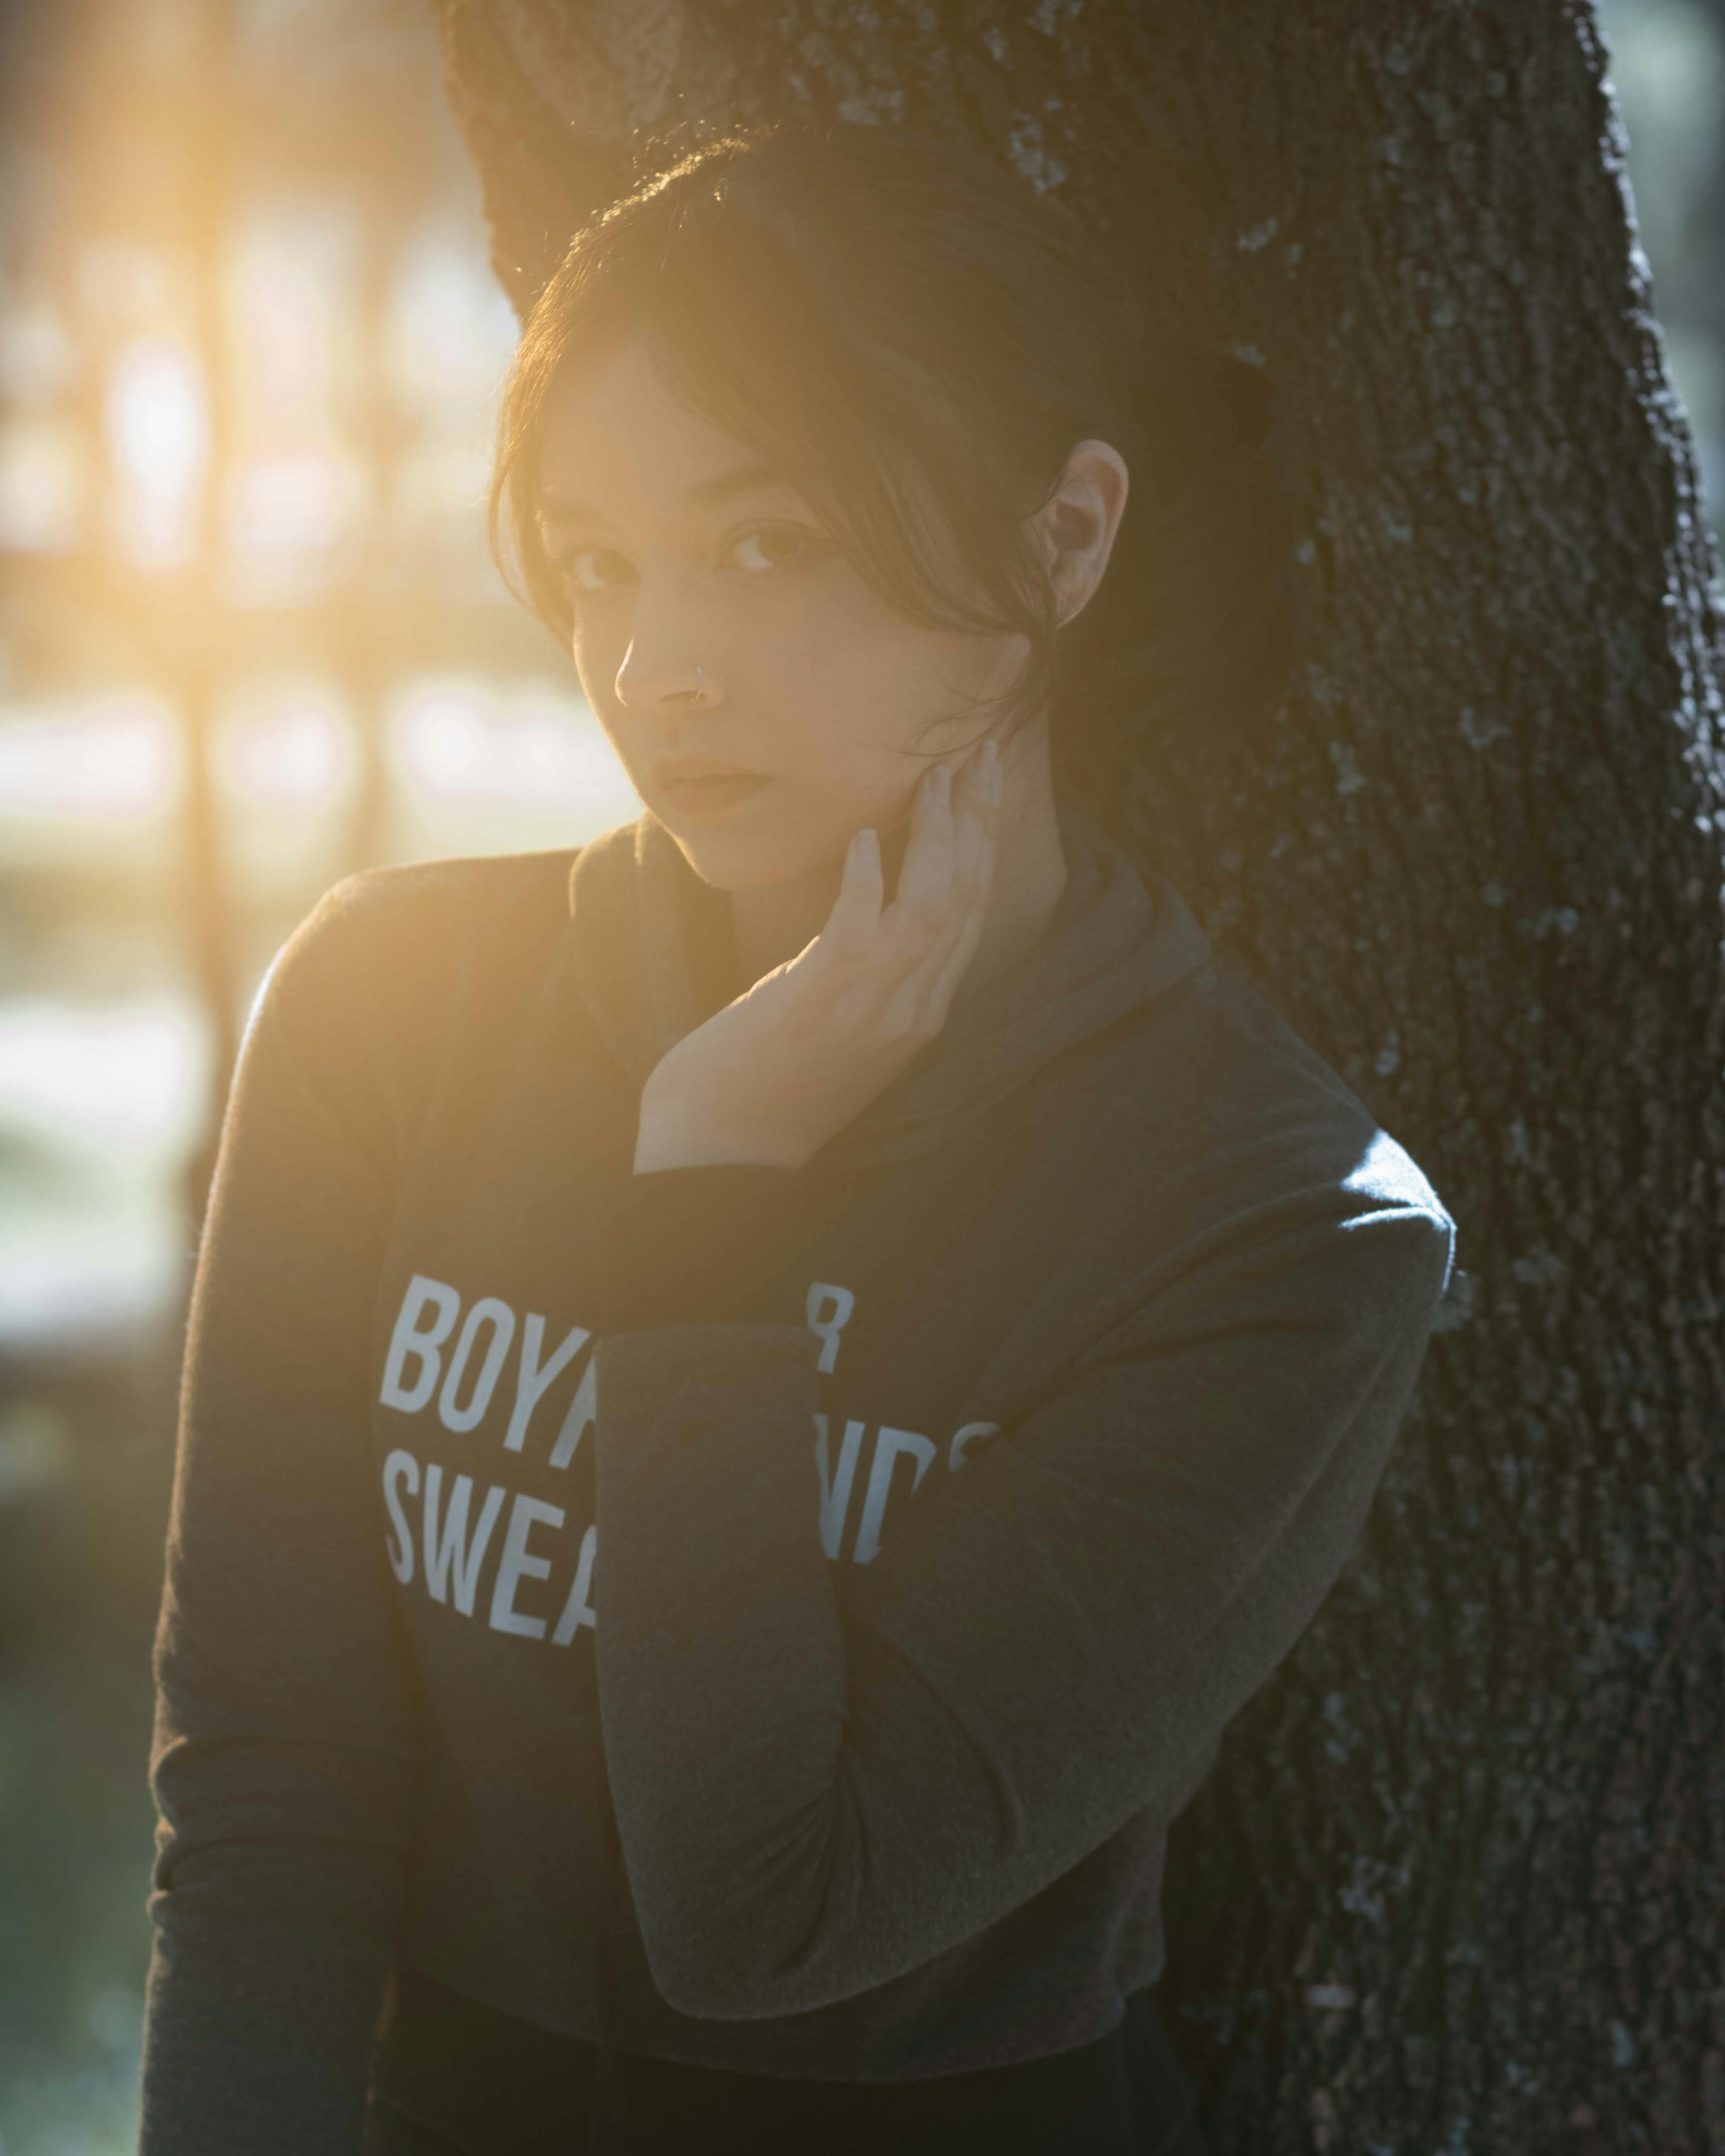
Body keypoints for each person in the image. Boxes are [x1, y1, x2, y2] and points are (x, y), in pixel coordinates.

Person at [136, 123, 1456, 2156]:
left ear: (1064, 538)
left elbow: (766, 1911)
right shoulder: (391, 1010)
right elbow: (265, 1794)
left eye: (766, 539)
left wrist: (715, 1190)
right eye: (601, 564)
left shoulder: (1283, 1228)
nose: (657, 666)